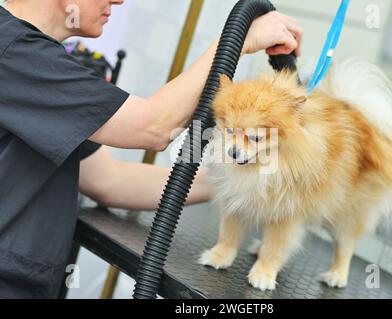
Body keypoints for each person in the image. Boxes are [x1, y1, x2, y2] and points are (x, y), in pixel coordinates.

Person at [0, 0, 303, 298]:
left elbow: (108, 180)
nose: (119, 0)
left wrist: (243, 182)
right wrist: (239, 39)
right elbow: (154, 126)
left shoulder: (34, 59)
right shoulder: (12, 51)